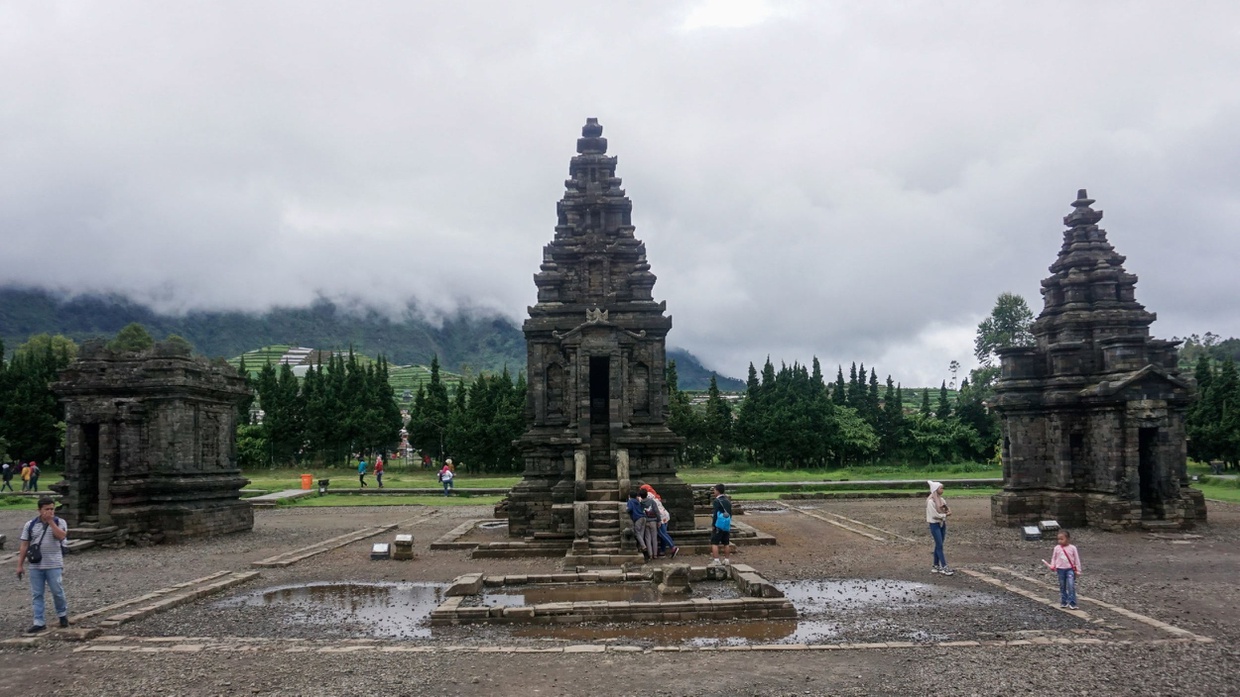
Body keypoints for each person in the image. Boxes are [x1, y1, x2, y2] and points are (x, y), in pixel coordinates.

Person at [16, 498, 69, 633]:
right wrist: (20, 565)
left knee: (57, 591)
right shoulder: (31, 524)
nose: (50, 511)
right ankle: (38, 621)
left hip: (54, 563)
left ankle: (62, 614)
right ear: (39, 510)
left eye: (52, 509)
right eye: (47, 509)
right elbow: (24, 545)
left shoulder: (59, 522)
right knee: (37, 594)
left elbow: (62, 536)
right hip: (36, 565)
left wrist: (51, 522)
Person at [1042, 530, 1083, 610]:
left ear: (1068, 539)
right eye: (1058, 539)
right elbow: (1054, 558)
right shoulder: (1057, 548)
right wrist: (1053, 565)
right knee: (1062, 585)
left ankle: (1072, 602)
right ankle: (1064, 601)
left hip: (1070, 569)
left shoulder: (1072, 548)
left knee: (1071, 585)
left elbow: (1076, 559)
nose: (1059, 541)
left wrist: (1078, 570)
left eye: (1062, 539)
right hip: (1060, 569)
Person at [639, 484, 679, 558]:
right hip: (665, 515)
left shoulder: (648, 496)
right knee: (664, 533)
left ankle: (673, 547)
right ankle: (662, 551)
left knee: (662, 534)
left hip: (660, 516)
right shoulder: (655, 494)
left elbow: (642, 501)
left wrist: (659, 521)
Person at [927, 480, 953, 576]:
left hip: (942, 524)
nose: (942, 490)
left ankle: (936, 565)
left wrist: (947, 512)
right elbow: (934, 515)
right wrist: (945, 516)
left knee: (939, 544)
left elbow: (945, 509)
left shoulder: (942, 500)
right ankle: (944, 566)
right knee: (939, 545)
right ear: (935, 490)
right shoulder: (931, 502)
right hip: (935, 524)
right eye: (941, 488)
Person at [710, 483, 734, 566]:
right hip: (726, 524)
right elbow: (730, 513)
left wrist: (713, 524)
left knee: (714, 542)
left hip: (719, 524)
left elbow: (716, 513)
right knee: (726, 543)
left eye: (714, 490)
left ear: (717, 491)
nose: (714, 491)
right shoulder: (727, 501)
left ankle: (716, 560)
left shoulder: (717, 501)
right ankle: (727, 560)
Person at [635, 489, 660, 562]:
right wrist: (659, 520)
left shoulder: (640, 503)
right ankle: (655, 554)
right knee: (654, 538)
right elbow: (657, 511)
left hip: (645, 521)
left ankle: (650, 554)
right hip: (653, 521)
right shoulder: (652, 501)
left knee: (647, 539)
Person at [626, 489, 650, 560]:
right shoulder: (637, 501)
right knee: (641, 534)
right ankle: (643, 552)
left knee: (637, 533)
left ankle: (643, 547)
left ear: (629, 496)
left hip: (638, 518)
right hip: (643, 517)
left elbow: (629, 509)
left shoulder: (630, 501)